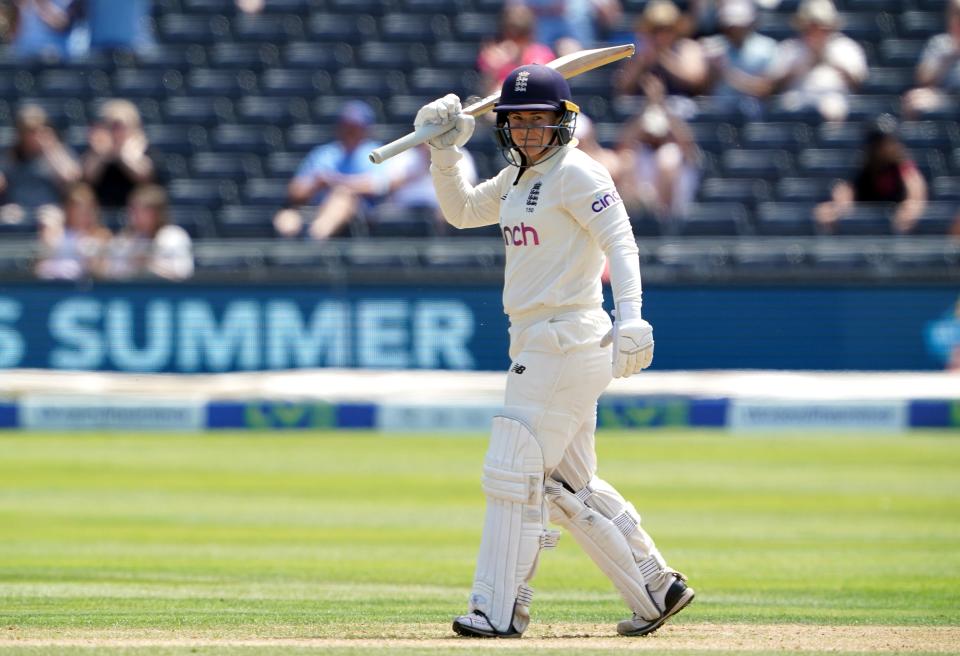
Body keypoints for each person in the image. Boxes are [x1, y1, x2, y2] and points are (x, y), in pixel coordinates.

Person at [414, 64, 694, 639]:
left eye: (540, 122)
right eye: (517, 122)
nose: (528, 133)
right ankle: (656, 585)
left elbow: (622, 241)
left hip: (566, 336)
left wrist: (633, 318)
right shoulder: (517, 177)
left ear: (563, 123)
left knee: (512, 470)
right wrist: (443, 152)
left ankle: (498, 610)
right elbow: (462, 211)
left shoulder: (579, 173)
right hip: (538, 338)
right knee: (570, 484)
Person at [273, 100, 391, 240]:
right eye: (346, 125)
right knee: (286, 216)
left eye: (355, 126)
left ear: (365, 128)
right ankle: (286, 253)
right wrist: (316, 184)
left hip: (358, 214)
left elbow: (379, 186)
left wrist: (335, 181)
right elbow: (295, 191)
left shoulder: (375, 152)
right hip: (314, 208)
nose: (350, 130)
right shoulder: (324, 153)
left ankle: (313, 242)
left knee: (341, 197)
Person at [814, 116, 928, 235]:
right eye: (881, 143)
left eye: (889, 142)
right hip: (865, 221)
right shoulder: (864, 166)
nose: (887, 147)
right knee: (824, 212)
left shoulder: (903, 167)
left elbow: (915, 195)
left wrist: (909, 207)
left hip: (895, 220)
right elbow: (845, 191)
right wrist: (840, 207)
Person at [761, 0, 867, 121]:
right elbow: (772, 86)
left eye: (821, 25)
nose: (816, 29)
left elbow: (859, 84)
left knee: (833, 108)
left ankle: (831, 139)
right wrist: (799, 68)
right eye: (811, 25)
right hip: (797, 97)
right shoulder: (790, 48)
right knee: (785, 106)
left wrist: (831, 62)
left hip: (834, 97)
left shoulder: (845, 47)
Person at [615, 0, 708, 118]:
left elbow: (695, 80)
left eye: (667, 29)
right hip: (643, 109)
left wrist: (663, 58)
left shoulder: (687, 47)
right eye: (656, 29)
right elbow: (623, 88)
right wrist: (642, 61)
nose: (661, 34)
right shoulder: (639, 50)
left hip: (680, 109)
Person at [0, 104, 81, 226]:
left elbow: (71, 178)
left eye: (38, 130)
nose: (33, 136)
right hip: (17, 209)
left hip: (49, 209)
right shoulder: (10, 155)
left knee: (51, 219)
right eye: (28, 131)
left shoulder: (57, 152)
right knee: (7, 217)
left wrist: (50, 149)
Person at [617, 103, 700, 220]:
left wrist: (663, 109)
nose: (654, 136)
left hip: (674, 213)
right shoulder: (639, 151)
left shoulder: (673, 150)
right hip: (641, 207)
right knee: (626, 159)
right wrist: (648, 110)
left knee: (668, 158)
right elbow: (623, 143)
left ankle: (663, 219)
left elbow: (687, 143)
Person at [99, 184, 193, 280]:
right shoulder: (125, 239)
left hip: (166, 292)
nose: (134, 215)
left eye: (140, 210)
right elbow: (112, 272)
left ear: (156, 213)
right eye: (132, 210)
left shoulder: (174, 236)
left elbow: (182, 272)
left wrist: (148, 264)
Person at [701, 0, 779, 116]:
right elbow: (701, 90)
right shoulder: (712, 47)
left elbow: (766, 89)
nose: (735, 30)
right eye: (731, 26)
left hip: (755, 116)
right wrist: (713, 72)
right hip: (719, 116)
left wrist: (728, 74)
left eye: (740, 25)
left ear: (750, 23)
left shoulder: (767, 48)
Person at [82, 99, 156, 209]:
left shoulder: (144, 149)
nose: (116, 132)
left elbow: (145, 177)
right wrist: (103, 154)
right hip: (101, 211)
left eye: (120, 126)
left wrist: (123, 155)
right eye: (111, 126)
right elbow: (87, 178)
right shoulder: (96, 151)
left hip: (137, 212)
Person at [35, 181, 111, 280]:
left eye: (88, 208)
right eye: (78, 209)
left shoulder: (101, 234)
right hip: (55, 287)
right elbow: (41, 264)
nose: (83, 214)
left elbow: (102, 269)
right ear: (68, 210)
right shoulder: (57, 232)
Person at [477, 5, 555, 96]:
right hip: (502, 105)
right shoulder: (492, 55)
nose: (514, 40)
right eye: (510, 34)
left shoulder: (542, 54)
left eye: (520, 35)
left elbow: (544, 88)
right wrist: (492, 70)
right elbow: (484, 94)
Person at [902, 0, 960, 119]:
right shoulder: (940, 44)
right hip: (945, 97)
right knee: (914, 100)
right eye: (956, 14)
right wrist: (949, 56)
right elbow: (923, 81)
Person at [9, 0, 79, 61]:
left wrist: (42, 4)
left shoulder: (65, 2)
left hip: (54, 59)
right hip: (24, 56)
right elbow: (14, 30)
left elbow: (61, 25)